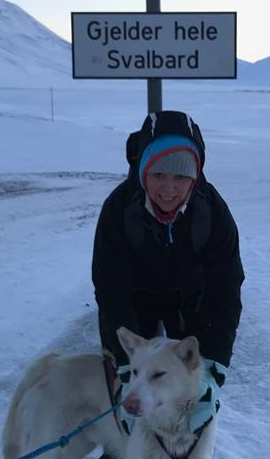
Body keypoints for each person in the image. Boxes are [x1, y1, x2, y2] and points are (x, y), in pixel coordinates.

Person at [91, 109, 244, 437]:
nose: (169, 189)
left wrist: (214, 364)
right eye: (158, 174)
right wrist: (122, 361)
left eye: (181, 178)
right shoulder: (119, 210)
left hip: (193, 303)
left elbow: (225, 289)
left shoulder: (212, 212)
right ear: (143, 169)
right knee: (127, 406)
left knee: (190, 399)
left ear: (196, 177)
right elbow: (110, 288)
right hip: (135, 303)